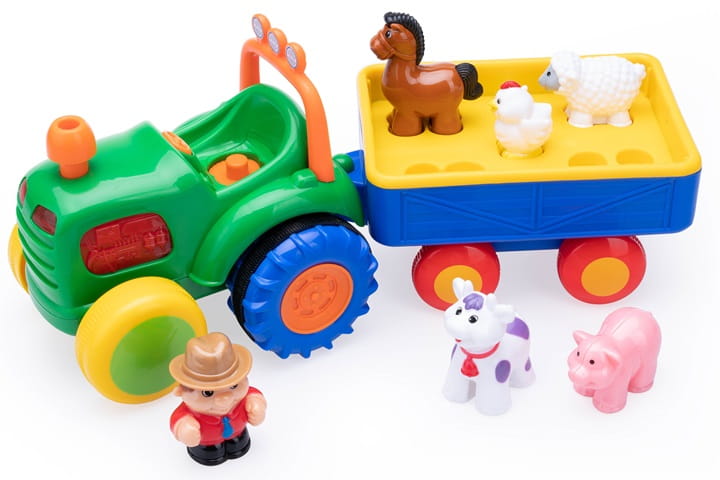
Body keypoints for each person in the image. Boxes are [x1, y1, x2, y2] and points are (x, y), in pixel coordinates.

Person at [169, 332, 267, 466]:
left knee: (238, 443)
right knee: (211, 451)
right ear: (182, 391)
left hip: (239, 432)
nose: (225, 398)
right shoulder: (189, 412)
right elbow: (178, 418)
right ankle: (210, 452)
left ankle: (238, 445)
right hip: (206, 443)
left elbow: (253, 394)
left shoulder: (242, 398)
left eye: (233, 386)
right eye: (208, 393)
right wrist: (184, 429)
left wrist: (256, 403)